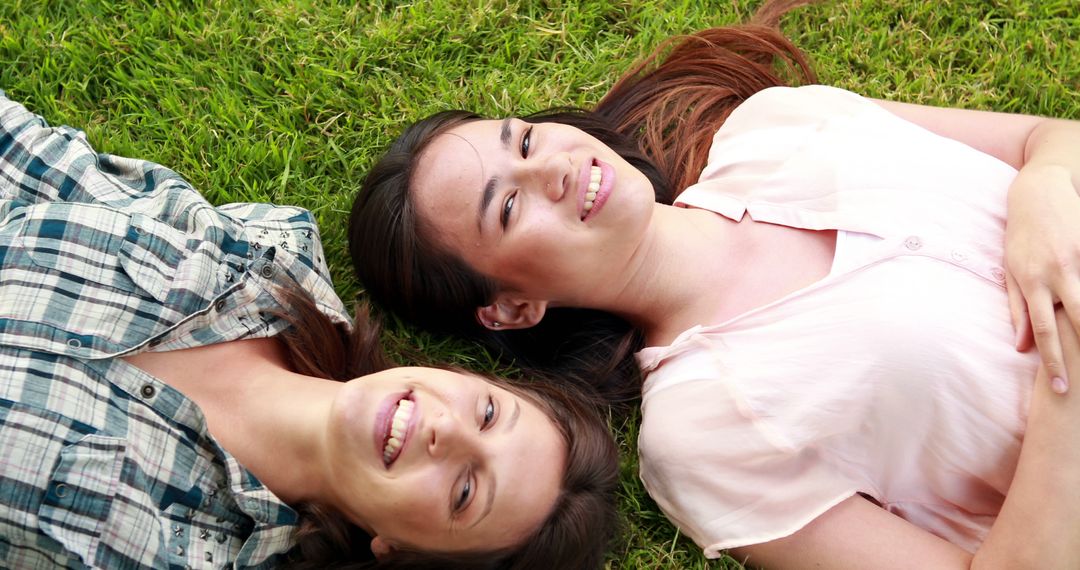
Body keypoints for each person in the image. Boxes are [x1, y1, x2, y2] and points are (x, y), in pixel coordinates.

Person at [347, 2, 1080, 568]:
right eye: (508, 206)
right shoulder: (699, 437)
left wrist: (1044, 191)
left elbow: (1047, 140)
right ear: (512, 307)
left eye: (526, 140)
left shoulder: (775, 124)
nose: (553, 170)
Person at [0, 92, 619, 570]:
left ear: (398, 552)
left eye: (463, 491)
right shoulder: (266, 258)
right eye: (487, 413)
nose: (446, 431)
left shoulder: (180, 552)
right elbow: (38, 165)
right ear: (467, 375)